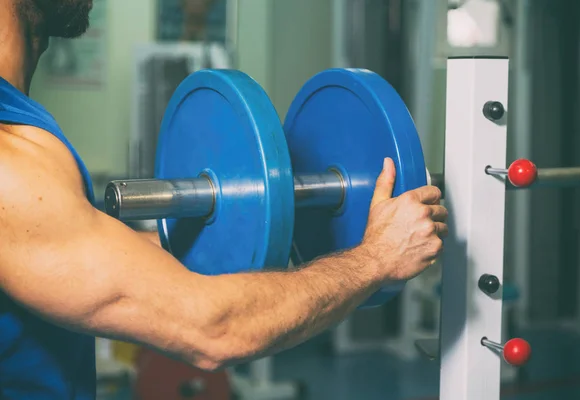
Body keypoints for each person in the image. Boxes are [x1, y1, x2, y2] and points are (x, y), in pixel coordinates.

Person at [0, 1, 448, 399]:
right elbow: (212, 329)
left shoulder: (22, 130)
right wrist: (376, 258)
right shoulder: (11, 165)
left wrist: (273, 231)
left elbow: (101, 260)